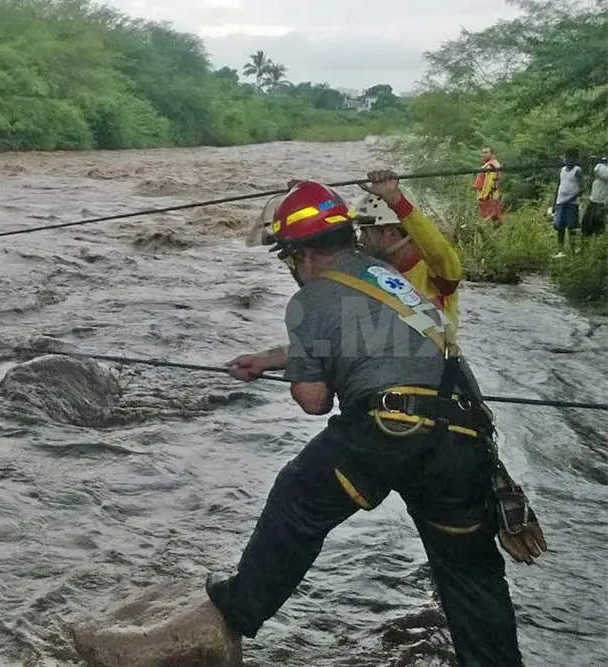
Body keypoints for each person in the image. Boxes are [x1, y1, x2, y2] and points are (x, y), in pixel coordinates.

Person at [198, 181, 546, 666]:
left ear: (299, 254)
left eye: (287, 259)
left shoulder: (312, 297)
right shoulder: (386, 277)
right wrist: (271, 359)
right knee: (470, 573)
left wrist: (300, 373)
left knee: (298, 495)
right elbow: (376, 344)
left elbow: (315, 401)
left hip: (388, 430)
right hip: (465, 435)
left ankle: (241, 606)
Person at [354, 169, 464, 325]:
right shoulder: (365, 274)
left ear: (391, 235)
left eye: (366, 233)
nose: (361, 240)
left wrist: (396, 201)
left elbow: (440, 251)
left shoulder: (437, 277)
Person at [552, 148, 583, 255]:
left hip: (571, 203)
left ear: (575, 159)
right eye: (567, 158)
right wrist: (554, 204)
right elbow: (558, 186)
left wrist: (570, 199)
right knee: (559, 226)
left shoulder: (577, 170)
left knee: (571, 226)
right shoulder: (562, 170)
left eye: (571, 158)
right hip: (560, 202)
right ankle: (560, 250)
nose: (569, 160)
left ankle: (573, 249)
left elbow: (582, 189)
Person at [473, 147, 504, 224]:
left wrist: (483, 195)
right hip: (487, 194)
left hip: (488, 195)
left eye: (486, 152)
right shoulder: (490, 164)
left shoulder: (492, 165)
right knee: (492, 215)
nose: (483, 154)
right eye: (482, 152)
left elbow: (489, 182)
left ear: (492, 154)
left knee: (491, 215)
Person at [580, 155, 607, 238]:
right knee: (586, 224)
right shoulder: (600, 165)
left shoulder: (601, 167)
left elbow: (604, 176)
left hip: (603, 201)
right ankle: (585, 247)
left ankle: (599, 246)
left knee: (598, 224)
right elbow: (594, 171)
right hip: (593, 200)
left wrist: (599, 175)